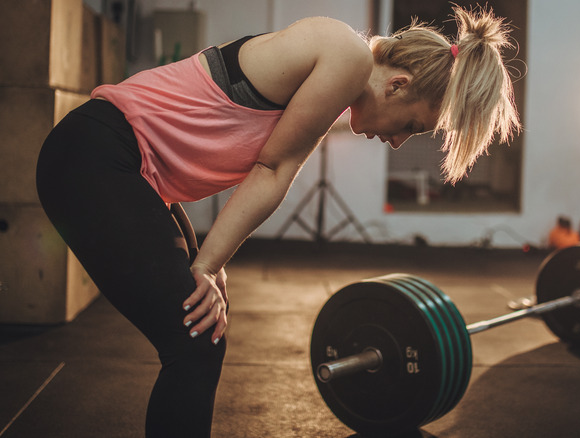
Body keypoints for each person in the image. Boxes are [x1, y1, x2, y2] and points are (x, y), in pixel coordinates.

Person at [35, 5, 521, 437]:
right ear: (398, 84)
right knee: (195, 342)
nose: (397, 142)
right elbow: (273, 169)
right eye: (412, 126)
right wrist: (205, 264)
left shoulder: (337, 68)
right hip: (97, 155)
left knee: (203, 333)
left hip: (123, 166)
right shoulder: (346, 55)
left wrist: (211, 263)